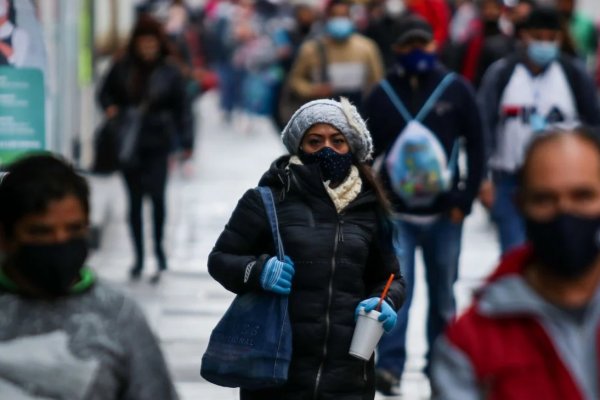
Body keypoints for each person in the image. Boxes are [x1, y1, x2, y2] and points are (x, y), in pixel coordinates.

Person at [207, 97, 406, 399]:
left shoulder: (369, 207)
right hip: (277, 372)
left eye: (337, 141)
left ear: (351, 147)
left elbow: (391, 277)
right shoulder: (267, 199)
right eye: (315, 141)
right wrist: (259, 271)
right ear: (299, 146)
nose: (327, 149)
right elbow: (221, 259)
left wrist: (384, 301)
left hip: (348, 376)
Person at [362, 14, 485, 396]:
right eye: (408, 46)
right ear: (395, 50)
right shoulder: (381, 95)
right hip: (398, 215)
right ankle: (391, 368)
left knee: (444, 294)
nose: (416, 52)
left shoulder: (456, 90)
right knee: (398, 292)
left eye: (423, 44)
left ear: (434, 46)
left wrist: (465, 198)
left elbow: (478, 145)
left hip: (445, 213)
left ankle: (440, 367)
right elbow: (365, 154)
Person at [431, 128, 600, 400]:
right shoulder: (473, 344)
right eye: (545, 199)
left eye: (582, 196)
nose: (564, 213)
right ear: (520, 205)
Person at [0, 153, 178, 399]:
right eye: (42, 232)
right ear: (6, 236)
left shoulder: (118, 316)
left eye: (73, 229)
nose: (60, 242)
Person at [478, 6, 600, 255]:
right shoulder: (503, 74)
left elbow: (593, 126)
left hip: (562, 181)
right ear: (524, 36)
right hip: (511, 180)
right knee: (514, 252)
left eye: (551, 38)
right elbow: (483, 127)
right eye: (538, 38)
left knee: (560, 252)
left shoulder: (573, 74)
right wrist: (483, 179)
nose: (545, 45)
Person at [98, 15, 193, 282]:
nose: (148, 49)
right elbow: (104, 93)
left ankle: (159, 252)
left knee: (158, 199)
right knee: (135, 201)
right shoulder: (122, 67)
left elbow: (183, 108)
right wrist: (111, 109)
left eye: (152, 44)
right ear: (136, 43)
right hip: (129, 143)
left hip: (158, 142)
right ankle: (139, 257)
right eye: (144, 44)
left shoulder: (170, 70)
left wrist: (187, 142)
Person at [286, 0, 384, 109]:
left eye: (343, 15)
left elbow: (377, 82)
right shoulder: (311, 49)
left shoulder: (367, 47)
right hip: (324, 113)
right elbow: (295, 81)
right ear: (327, 18)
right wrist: (313, 90)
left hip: (359, 111)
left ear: (350, 17)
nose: (339, 20)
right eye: (335, 16)